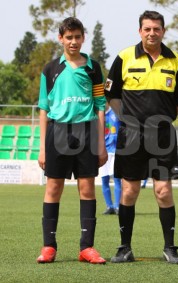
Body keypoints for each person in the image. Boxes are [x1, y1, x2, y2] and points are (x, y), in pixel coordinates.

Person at [104, 10, 178, 264]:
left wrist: (163, 121)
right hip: (130, 135)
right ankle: (124, 247)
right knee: (129, 191)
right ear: (140, 31)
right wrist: (128, 121)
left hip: (163, 136)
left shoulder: (175, 60)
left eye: (156, 29)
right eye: (147, 29)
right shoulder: (124, 57)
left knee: (164, 191)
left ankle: (170, 248)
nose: (152, 33)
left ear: (163, 31)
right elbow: (111, 95)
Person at [36, 17, 108, 264]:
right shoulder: (50, 69)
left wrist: (101, 144)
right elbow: (44, 108)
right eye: (69, 37)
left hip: (86, 132)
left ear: (83, 38)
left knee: (87, 189)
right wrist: (42, 148)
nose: (73, 41)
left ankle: (87, 247)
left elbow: (100, 106)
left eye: (77, 37)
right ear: (61, 39)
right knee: (53, 189)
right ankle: (49, 246)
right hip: (57, 133)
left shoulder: (94, 68)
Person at [100, 104, 122, 215]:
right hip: (103, 152)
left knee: (117, 178)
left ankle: (117, 206)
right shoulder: (97, 115)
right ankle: (109, 206)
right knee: (104, 180)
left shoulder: (116, 114)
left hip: (115, 151)